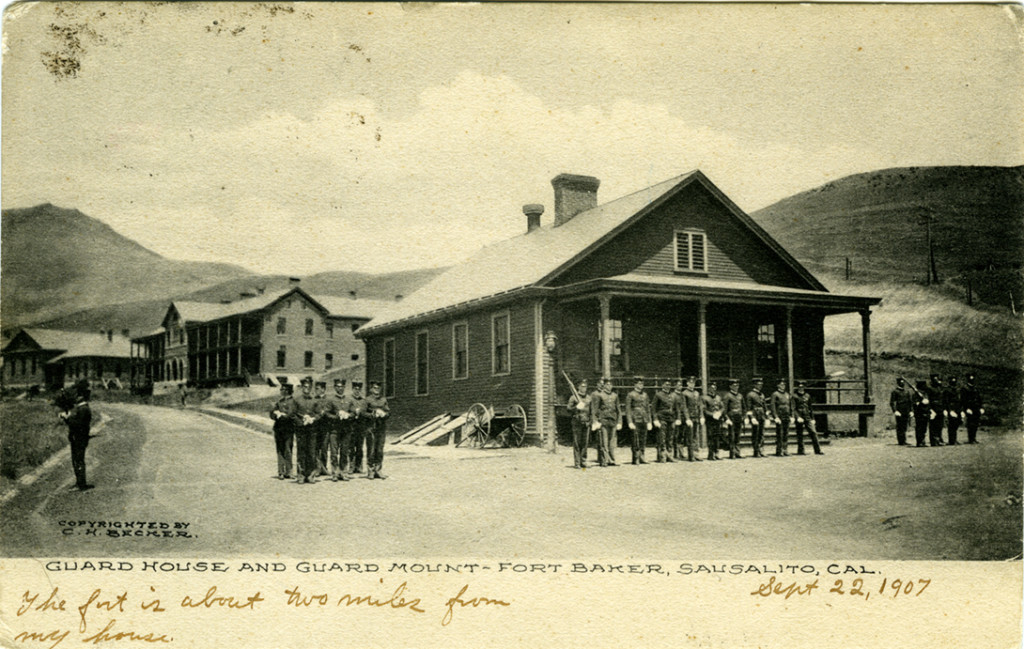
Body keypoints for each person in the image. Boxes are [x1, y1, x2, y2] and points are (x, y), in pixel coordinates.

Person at [60, 379, 94, 491]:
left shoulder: (83, 409)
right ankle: (79, 482)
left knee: (78, 460)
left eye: (78, 396)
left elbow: (78, 424)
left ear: (81, 397)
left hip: (79, 438)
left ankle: (81, 484)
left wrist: (67, 418)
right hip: (78, 438)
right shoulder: (82, 408)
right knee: (77, 461)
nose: (76, 398)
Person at [321, 379, 352, 481]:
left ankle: (344, 472)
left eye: (342, 386)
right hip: (334, 429)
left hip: (346, 429)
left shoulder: (349, 399)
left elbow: (354, 413)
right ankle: (335, 472)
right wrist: (337, 415)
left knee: (344, 451)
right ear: (335, 388)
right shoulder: (331, 400)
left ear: (344, 387)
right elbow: (326, 413)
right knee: (334, 452)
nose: (340, 388)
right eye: (338, 386)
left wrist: (348, 415)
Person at [292, 376, 319, 483]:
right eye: (305, 386)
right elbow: (293, 415)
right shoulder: (297, 400)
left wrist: (313, 419)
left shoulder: (314, 401)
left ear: (311, 388)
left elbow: (319, 414)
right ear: (302, 387)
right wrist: (301, 422)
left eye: (309, 387)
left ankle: (310, 474)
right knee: (301, 451)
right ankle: (301, 474)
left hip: (312, 430)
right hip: (301, 430)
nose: (307, 388)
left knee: (311, 452)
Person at [590, 378, 621, 467]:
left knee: (612, 442)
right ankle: (604, 460)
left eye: (610, 384)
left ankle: (612, 460)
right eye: (607, 384)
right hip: (603, 421)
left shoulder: (615, 396)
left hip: (613, 420)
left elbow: (618, 409)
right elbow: (595, 410)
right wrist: (595, 421)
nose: (609, 386)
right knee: (604, 442)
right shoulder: (600, 395)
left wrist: (619, 422)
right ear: (604, 386)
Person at [269, 383, 296, 479]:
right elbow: (272, 414)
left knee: (288, 450)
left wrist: (282, 415)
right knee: (280, 450)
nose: (281, 391)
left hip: (288, 429)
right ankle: (281, 471)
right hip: (279, 428)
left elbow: (291, 414)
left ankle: (289, 471)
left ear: (287, 391)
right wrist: (275, 414)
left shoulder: (293, 402)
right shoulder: (279, 402)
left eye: (283, 389)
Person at [365, 381, 390, 479]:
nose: (377, 390)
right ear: (371, 389)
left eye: (378, 388)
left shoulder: (383, 400)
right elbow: (363, 413)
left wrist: (384, 414)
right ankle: (370, 470)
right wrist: (373, 414)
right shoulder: (367, 400)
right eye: (375, 388)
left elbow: (388, 412)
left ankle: (378, 470)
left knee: (379, 449)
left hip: (381, 427)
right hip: (371, 427)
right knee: (371, 449)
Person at [625, 377, 652, 465]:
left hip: (644, 419)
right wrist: (629, 421)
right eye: (639, 383)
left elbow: (648, 408)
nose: (641, 385)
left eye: (642, 384)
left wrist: (649, 421)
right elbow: (628, 409)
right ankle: (635, 457)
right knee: (635, 439)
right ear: (635, 384)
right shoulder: (630, 395)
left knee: (643, 439)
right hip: (635, 419)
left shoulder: (645, 395)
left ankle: (642, 456)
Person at [792, 380, 823, 455]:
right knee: (800, 434)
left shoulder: (807, 396)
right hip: (799, 416)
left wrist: (813, 418)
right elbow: (793, 408)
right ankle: (801, 451)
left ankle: (817, 450)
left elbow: (810, 408)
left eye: (802, 387)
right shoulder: (794, 396)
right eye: (799, 387)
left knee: (813, 432)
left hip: (807, 416)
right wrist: (797, 417)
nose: (801, 388)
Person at [567, 378, 592, 469]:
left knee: (585, 443)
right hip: (577, 422)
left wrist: (591, 421)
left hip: (586, 422)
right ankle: (577, 462)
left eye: (585, 386)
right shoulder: (573, 397)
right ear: (578, 387)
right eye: (582, 386)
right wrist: (576, 407)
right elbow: (568, 409)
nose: (584, 388)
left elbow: (591, 410)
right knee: (577, 443)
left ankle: (583, 461)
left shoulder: (589, 398)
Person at [651, 380, 676, 463]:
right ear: (662, 385)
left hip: (671, 419)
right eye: (666, 384)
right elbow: (653, 408)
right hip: (662, 418)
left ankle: (669, 455)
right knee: (662, 437)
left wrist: (675, 418)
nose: (668, 386)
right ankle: (662, 456)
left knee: (670, 438)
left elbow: (675, 408)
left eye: (669, 384)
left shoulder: (672, 396)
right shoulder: (658, 395)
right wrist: (655, 419)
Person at [347, 381, 369, 474]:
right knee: (351, 447)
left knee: (359, 448)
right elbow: (347, 411)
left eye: (359, 389)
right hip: (351, 426)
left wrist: (361, 413)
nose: (357, 391)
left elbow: (366, 412)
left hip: (361, 427)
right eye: (355, 389)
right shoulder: (349, 400)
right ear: (352, 389)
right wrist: (354, 412)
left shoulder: (363, 400)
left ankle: (359, 466)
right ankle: (351, 466)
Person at [680, 376, 702, 462]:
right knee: (689, 436)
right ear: (687, 383)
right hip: (690, 417)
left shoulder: (697, 393)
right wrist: (687, 418)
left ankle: (696, 454)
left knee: (696, 436)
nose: (692, 384)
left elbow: (699, 406)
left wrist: (701, 416)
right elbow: (684, 407)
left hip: (696, 417)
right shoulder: (684, 393)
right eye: (690, 382)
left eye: (693, 383)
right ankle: (691, 455)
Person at [770, 379, 793, 457]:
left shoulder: (787, 394)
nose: (783, 386)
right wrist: (775, 416)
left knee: (786, 434)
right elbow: (772, 406)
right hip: (780, 416)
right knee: (780, 433)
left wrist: (791, 415)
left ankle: (785, 449)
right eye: (781, 384)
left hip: (786, 416)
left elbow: (790, 406)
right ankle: (779, 450)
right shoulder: (775, 394)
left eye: (784, 384)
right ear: (778, 385)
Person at [722, 379, 744, 459]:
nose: (736, 387)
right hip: (731, 419)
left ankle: (737, 452)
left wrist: (743, 416)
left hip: (739, 418)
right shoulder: (727, 396)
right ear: (730, 386)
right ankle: (732, 453)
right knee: (732, 436)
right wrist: (726, 419)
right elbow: (724, 409)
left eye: (737, 386)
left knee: (738, 436)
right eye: (734, 386)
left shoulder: (740, 395)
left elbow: (743, 407)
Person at [702, 381, 724, 461]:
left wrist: (720, 413)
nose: (713, 389)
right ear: (708, 389)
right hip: (710, 420)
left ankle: (717, 452)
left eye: (714, 388)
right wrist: (712, 415)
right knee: (710, 436)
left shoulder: (718, 397)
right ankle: (711, 454)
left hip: (718, 419)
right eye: (711, 388)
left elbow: (722, 407)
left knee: (717, 436)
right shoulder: (704, 398)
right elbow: (704, 410)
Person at [889, 377, 915, 446]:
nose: (902, 383)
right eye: (901, 382)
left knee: (905, 426)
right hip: (899, 411)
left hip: (906, 410)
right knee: (900, 426)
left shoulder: (907, 392)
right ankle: (901, 441)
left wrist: (911, 410)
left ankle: (904, 440)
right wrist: (895, 411)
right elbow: (892, 402)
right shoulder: (895, 391)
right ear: (898, 383)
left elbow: (910, 402)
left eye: (903, 382)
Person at [745, 378, 767, 458]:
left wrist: (766, 416)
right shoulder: (750, 394)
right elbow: (748, 408)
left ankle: (761, 449)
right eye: (758, 384)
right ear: (754, 385)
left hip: (761, 416)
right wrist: (752, 417)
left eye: (761, 385)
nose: (760, 386)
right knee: (756, 433)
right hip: (755, 415)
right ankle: (756, 450)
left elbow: (764, 406)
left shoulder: (762, 394)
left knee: (762, 433)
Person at [313, 381, 330, 476]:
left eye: (318, 388)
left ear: (323, 389)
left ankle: (324, 467)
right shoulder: (313, 399)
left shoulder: (328, 399)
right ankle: (317, 468)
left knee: (324, 448)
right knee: (316, 448)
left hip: (325, 427)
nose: (316, 391)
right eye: (316, 389)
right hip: (316, 427)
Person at [961, 373, 984, 444]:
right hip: (970, 408)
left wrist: (981, 407)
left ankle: (974, 438)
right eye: (970, 379)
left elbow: (979, 399)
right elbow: (963, 400)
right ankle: (970, 439)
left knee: (976, 423)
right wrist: (966, 408)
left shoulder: (976, 388)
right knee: (971, 424)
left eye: (973, 379)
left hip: (976, 408)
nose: (972, 380)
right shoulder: (964, 388)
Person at [926, 374, 944, 447]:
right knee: (933, 425)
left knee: (940, 425)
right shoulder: (930, 389)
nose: (937, 381)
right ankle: (933, 441)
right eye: (935, 379)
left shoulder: (940, 388)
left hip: (940, 408)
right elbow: (929, 400)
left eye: (937, 379)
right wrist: (930, 409)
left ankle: (939, 439)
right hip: (933, 408)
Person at [944, 376, 962, 445]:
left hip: (957, 408)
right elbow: (946, 401)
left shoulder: (957, 390)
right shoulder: (947, 390)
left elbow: (959, 400)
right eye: (952, 381)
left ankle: (954, 439)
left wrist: (961, 410)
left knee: (956, 424)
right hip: (951, 409)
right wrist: (949, 410)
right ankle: (951, 440)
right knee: (951, 425)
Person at [671, 379, 686, 460]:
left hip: (683, 417)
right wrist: (676, 418)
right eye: (678, 385)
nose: (680, 386)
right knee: (675, 435)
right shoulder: (673, 395)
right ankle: (675, 453)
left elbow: (684, 407)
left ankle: (681, 452)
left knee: (681, 435)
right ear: (675, 386)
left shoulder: (682, 395)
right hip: (675, 418)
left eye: (681, 385)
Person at [912, 380, 930, 447]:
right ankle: (919, 442)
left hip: (925, 412)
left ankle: (923, 441)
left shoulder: (925, 394)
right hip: (919, 413)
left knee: (924, 428)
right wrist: (921, 402)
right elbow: (915, 404)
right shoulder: (915, 395)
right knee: (919, 428)